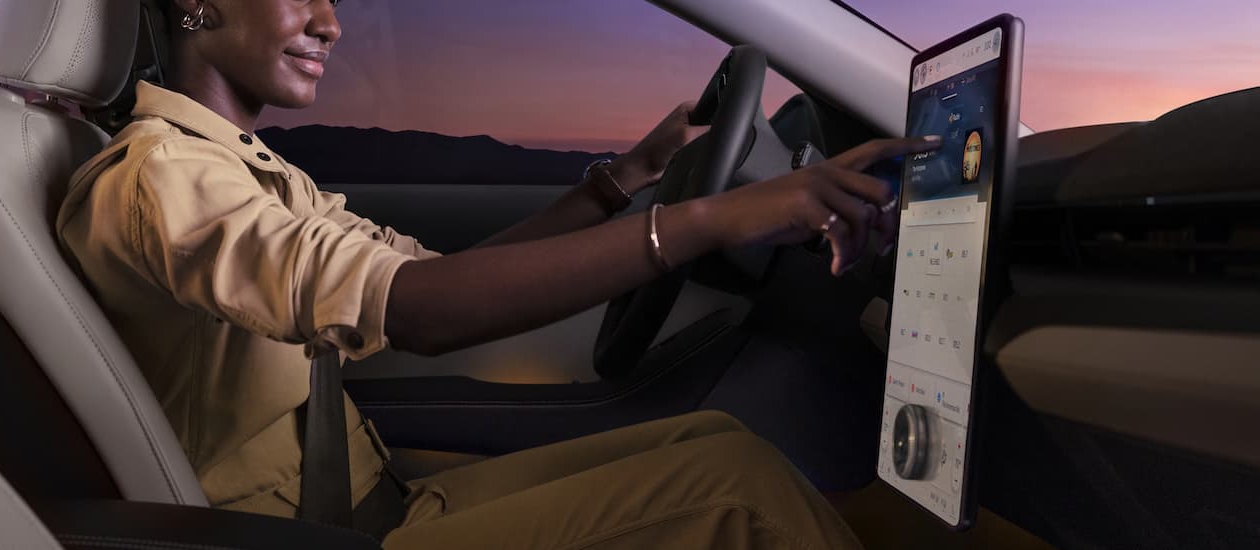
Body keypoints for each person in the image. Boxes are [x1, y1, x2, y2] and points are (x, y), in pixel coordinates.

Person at [56, 0, 940, 548]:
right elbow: (420, 314)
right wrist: (711, 217)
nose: (331, 22)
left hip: (370, 505)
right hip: (299, 536)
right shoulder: (161, 178)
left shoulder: (246, 170)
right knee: (740, 500)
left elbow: (438, 277)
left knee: (718, 446)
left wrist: (625, 180)